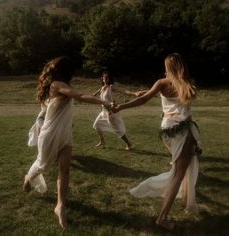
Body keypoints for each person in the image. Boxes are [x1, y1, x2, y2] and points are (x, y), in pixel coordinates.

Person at [112, 53, 201, 230]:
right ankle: (162, 217)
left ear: (168, 67)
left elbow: (145, 98)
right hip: (182, 129)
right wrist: (144, 94)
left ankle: (184, 199)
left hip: (167, 129)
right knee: (178, 173)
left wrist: (122, 106)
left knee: (182, 167)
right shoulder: (188, 83)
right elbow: (157, 95)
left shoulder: (162, 83)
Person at [23, 56, 109, 229]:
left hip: (65, 134)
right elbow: (79, 96)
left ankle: (60, 206)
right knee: (43, 164)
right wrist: (103, 101)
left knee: (65, 169)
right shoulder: (56, 84)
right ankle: (28, 177)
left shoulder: (61, 84)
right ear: (65, 71)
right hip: (49, 134)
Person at [93, 71, 137, 150]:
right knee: (96, 125)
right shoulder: (102, 87)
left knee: (117, 130)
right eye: (104, 77)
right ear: (102, 78)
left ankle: (128, 143)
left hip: (111, 112)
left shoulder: (111, 86)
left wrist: (134, 93)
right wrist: (95, 94)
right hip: (104, 111)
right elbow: (98, 92)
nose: (106, 79)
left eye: (107, 77)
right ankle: (102, 141)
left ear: (110, 79)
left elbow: (123, 91)